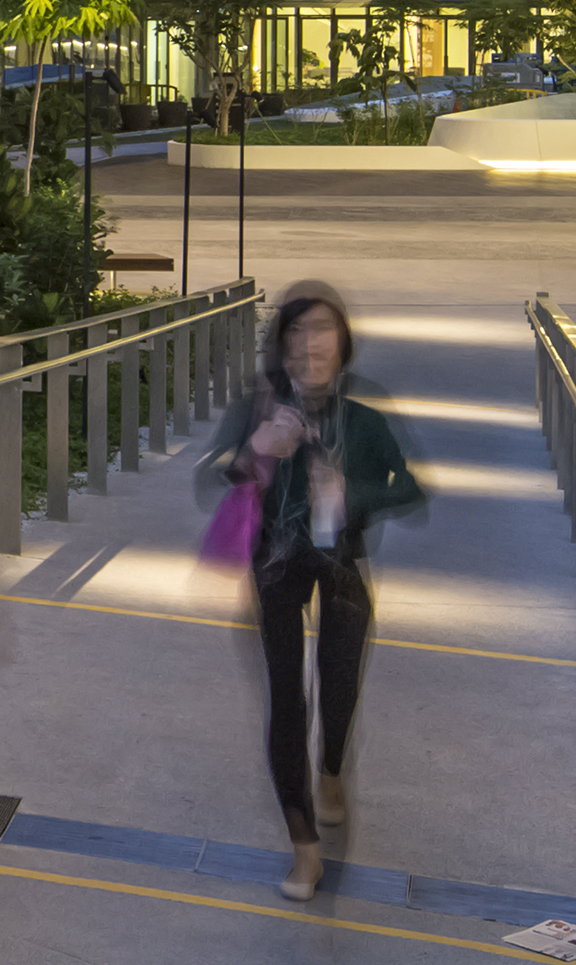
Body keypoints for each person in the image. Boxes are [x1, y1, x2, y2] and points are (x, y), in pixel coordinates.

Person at [204, 280, 426, 900]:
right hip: (274, 567)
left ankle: (332, 769)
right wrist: (257, 449)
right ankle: (304, 849)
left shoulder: (365, 414)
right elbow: (212, 478)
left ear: (343, 339)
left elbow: (409, 488)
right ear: (281, 344)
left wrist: (354, 497)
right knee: (286, 703)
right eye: (296, 332)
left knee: (339, 686)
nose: (309, 345)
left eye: (322, 330)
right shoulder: (258, 405)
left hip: (342, 561)